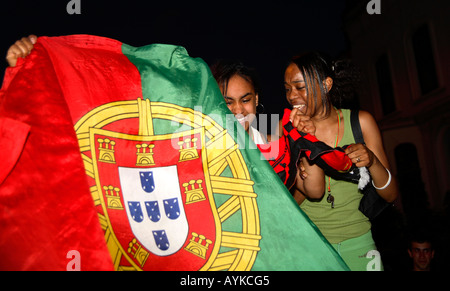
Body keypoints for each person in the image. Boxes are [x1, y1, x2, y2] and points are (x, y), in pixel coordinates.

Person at [283, 52, 398, 270]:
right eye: (288, 89)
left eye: (300, 87)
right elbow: (290, 203)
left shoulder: (361, 122)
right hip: (311, 244)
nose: (292, 96)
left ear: (326, 85)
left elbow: (391, 194)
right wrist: (305, 142)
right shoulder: (289, 132)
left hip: (359, 243)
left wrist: (372, 161)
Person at [210, 59, 325, 202]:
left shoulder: (274, 146)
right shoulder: (204, 150)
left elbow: (315, 191)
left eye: (245, 100)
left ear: (256, 100)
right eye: (228, 102)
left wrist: (307, 140)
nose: (238, 110)